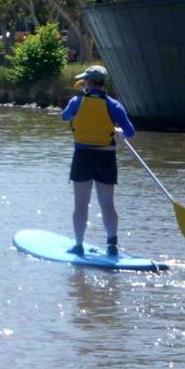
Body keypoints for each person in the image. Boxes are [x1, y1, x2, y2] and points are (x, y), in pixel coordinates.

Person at [61, 65, 136, 256]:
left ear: (88, 82)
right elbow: (130, 132)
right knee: (107, 204)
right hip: (106, 157)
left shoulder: (76, 101)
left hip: (83, 157)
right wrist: (118, 131)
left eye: (85, 80)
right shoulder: (114, 105)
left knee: (80, 204)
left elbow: (65, 117)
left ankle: (78, 245)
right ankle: (112, 244)